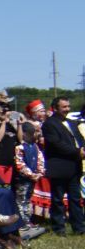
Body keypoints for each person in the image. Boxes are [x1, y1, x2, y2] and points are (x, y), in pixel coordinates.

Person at [42, 96, 83, 234]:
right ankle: (59, 228)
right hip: (59, 166)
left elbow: (79, 139)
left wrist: (82, 150)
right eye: (64, 107)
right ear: (55, 108)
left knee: (75, 199)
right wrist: (77, 151)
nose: (67, 109)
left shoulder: (72, 123)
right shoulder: (49, 124)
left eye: (68, 106)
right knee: (58, 199)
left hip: (74, 165)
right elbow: (57, 144)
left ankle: (79, 227)